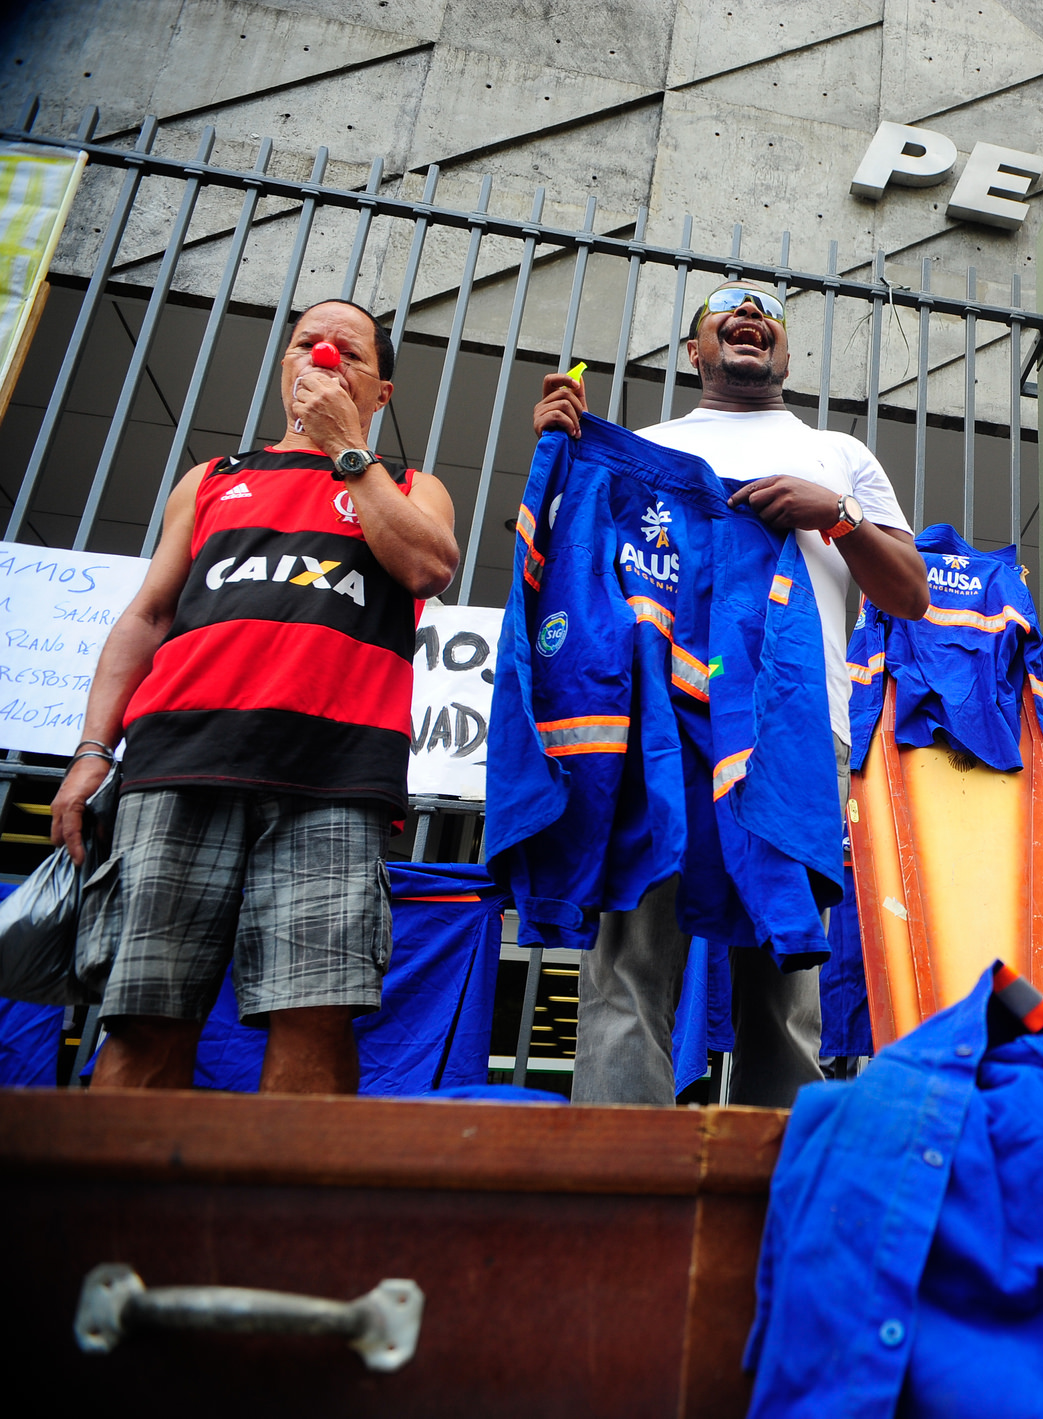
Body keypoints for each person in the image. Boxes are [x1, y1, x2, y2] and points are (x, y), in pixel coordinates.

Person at [531, 279, 928, 1106]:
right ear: (694, 351)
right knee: (631, 960)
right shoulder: (638, 445)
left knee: (782, 980)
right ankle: (617, 1201)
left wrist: (838, 515)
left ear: (785, 352)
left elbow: (912, 596)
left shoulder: (837, 454)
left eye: (768, 317)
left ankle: (766, 1202)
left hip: (796, 726)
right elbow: (576, 584)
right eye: (728, 313)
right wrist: (561, 456)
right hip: (658, 725)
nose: (751, 319)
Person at [49, 298, 460, 1093]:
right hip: (179, 763)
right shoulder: (213, 479)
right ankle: (118, 1218)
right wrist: (93, 751)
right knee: (144, 1015)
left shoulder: (411, 486)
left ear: (383, 393)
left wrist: (346, 449)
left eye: (351, 352)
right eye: (309, 344)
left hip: (335, 776)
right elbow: (148, 615)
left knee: (315, 1017)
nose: (326, 359)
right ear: (284, 368)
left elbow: (429, 566)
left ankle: (281, 1220)